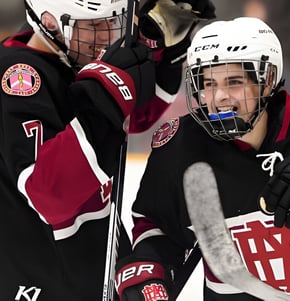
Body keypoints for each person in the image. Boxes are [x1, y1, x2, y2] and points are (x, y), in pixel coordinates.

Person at [114, 17, 290, 300]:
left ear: (266, 83)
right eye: (208, 83)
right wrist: (147, 273)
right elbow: (159, 228)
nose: (219, 97)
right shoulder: (182, 146)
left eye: (234, 82)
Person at [0, 0, 214, 300]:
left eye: (111, 21)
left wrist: (161, 52)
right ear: (49, 23)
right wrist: (106, 100)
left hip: (91, 266)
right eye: (92, 25)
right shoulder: (19, 75)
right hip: (40, 279)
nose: (105, 36)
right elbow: (50, 195)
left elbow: (132, 119)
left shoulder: (69, 59)